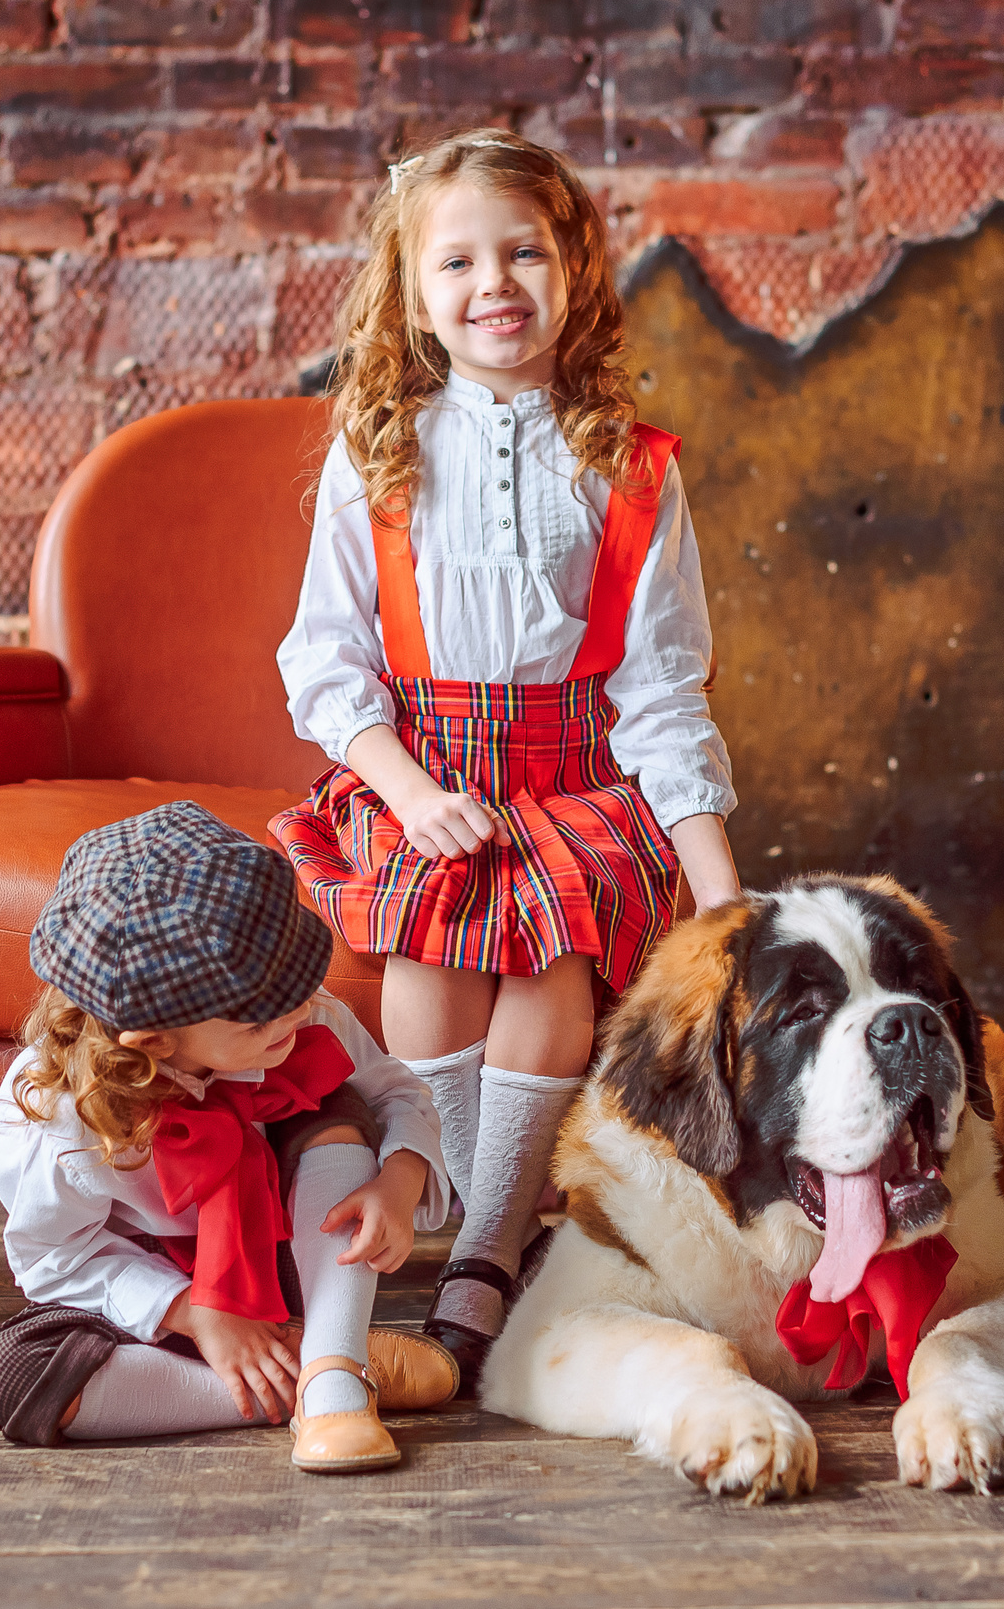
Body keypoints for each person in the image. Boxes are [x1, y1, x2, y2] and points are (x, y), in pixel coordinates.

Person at [272, 128, 743, 1392]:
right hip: (420, 773)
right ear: (412, 294)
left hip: (575, 776)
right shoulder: (376, 454)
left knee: (551, 959)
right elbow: (325, 663)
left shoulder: (629, 468)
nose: (495, 283)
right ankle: (471, 1215)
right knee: (434, 949)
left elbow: (660, 693)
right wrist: (411, 794)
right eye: (458, 261)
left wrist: (719, 892)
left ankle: (482, 1249)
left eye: (525, 251)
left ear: (574, 269)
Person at [0, 801, 460, 1473]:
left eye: (300, 977)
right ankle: (317, 1366)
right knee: (13, 1376)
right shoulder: (57, 1121)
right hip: (162, 1307)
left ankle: (335, 1376)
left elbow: (399, 1093)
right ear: (154, 1040)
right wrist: (197, 1315)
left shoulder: (300, 1011)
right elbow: (55, 1261)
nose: (301, 1006)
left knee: (336, 1098)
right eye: (262, 1019)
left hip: (293, 1257)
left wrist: (399, 1178)